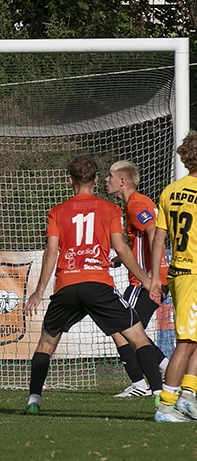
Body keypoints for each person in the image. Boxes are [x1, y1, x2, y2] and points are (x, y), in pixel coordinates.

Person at [22, 155, 163, 416]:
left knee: (45, 345)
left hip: (67, 286)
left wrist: (39, 292)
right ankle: (157, 397)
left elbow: (51, 252)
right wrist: (146, 280)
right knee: (138, 337)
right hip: (98, 284)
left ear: (70, 181)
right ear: (96, 180)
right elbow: (120, 247)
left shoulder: (56, 211)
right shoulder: (110, 209)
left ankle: (34, 400)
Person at [104, 160, 169, 397]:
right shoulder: (138, 202)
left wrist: (151, 274)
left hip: (144, 282)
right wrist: (121, 259)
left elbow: (153, 232)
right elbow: (142, 238)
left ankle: (144, 384)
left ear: (122, 181)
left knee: (121, 328)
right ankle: (166, 372)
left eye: (109, 176)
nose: (106, 180)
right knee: (132, 330)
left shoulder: (135, 203)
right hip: (154, 277)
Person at [149, 130, 197, 422]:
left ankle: (189, 397)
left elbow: (158, 240)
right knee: (186, 341)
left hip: (178, 272)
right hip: (193, 273)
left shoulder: (169, 191)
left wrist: (156, 277)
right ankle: (166, 405)